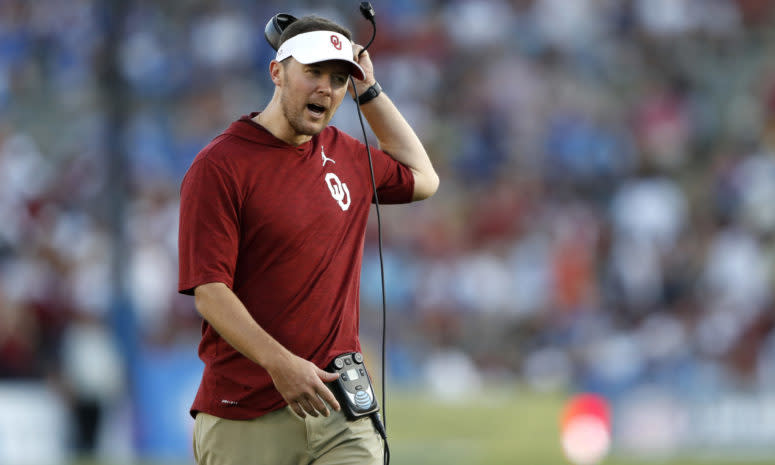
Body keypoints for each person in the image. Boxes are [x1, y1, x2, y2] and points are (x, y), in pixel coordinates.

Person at [177, 14, 439, 465]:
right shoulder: (220, 165)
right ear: (277, 72)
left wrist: (370, 93)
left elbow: (424, 178)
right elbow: (210, 292)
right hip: (247, 413)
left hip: (342, 411)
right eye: (313, 72)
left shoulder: (346, 154)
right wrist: (281, 364)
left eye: (338, 79)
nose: (326, 88)